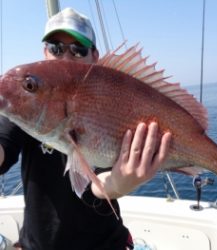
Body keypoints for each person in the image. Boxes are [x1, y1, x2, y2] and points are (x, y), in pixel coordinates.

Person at [0, 7, 171, 250]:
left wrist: (118, 185)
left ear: (95, 56)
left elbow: (96, 187)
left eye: (78, 49)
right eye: (56, 48)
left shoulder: (108, 101)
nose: (66, 58)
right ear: (44, 52)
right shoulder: (30, 103)